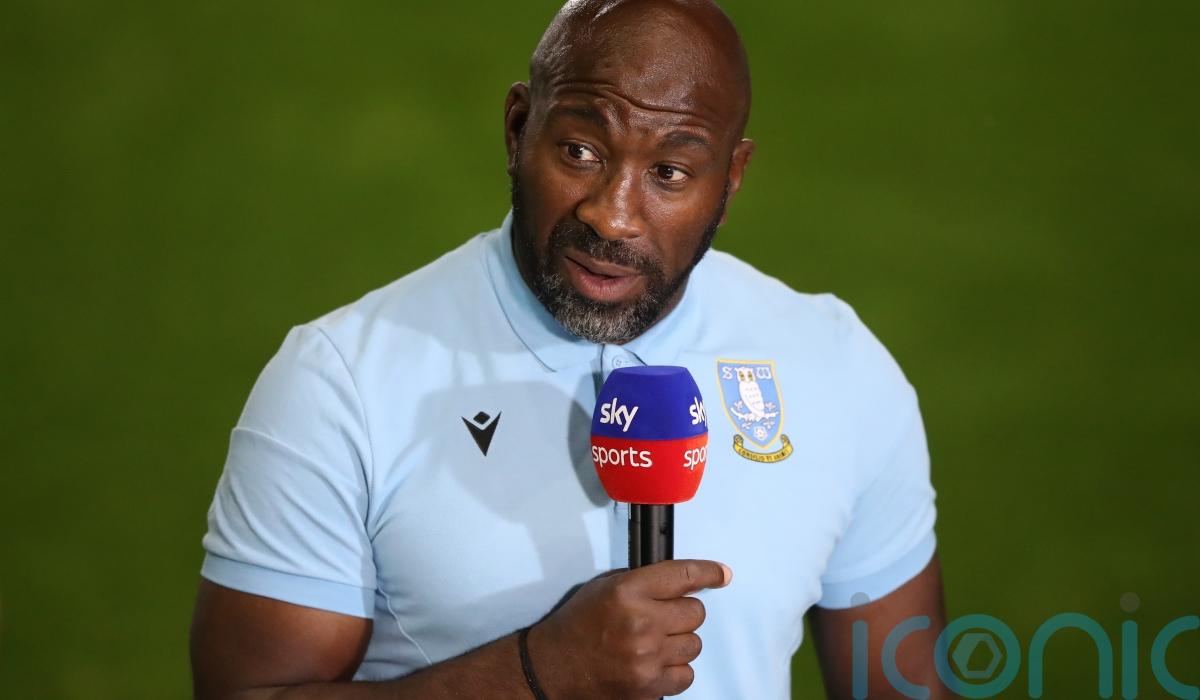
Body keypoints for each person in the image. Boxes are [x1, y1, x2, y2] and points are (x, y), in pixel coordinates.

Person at [190, 1, 953, 698]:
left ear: (730, 180)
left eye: (669, 172)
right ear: (518, 129)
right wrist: (538, 671)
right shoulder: (340, 381)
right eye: (582, 151)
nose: (613, 216)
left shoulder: (837, 367)